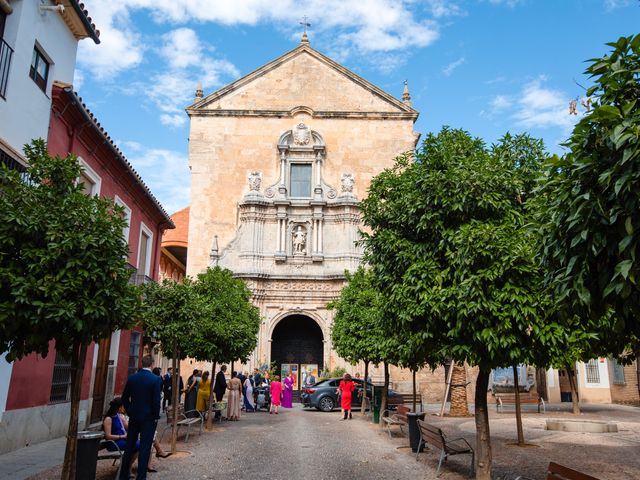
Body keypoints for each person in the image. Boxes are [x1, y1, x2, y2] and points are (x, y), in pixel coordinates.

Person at [119, 355, 162, 480]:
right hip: (148, 418)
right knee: (145, 447)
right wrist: (155, 415)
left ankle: (123, 475)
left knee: (129, 447)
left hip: (134, 417)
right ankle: (141, 477)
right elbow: (156, 401)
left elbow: (124, 398)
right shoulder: (155, 379)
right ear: (152, 364)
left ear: (141, 363)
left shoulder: (133, 378)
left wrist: (130, 411)